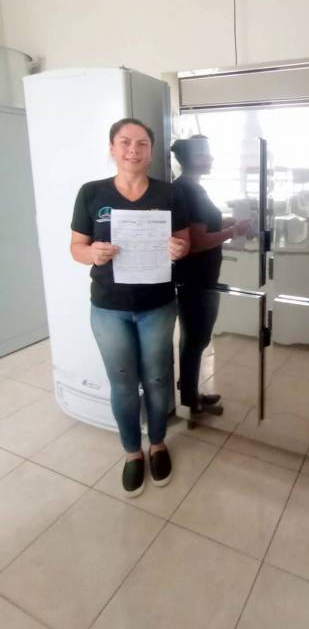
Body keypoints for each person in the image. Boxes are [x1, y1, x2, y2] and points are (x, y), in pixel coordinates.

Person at [70, 118, 190, 498]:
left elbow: (184, 241)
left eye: (142, 144)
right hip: (109, 307)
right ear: (112, 148)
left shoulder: (169, 193)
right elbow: (76, 248)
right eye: (125, 142)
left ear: (151, 151)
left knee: (156, 379)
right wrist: (93, 253)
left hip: (157, 304)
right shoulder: (91, 193)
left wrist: (179, 249)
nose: (133, 150)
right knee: (123, 381)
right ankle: (131, 452)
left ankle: (157, 444)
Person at [171, 135, 251, 418]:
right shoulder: (187, 191)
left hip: (203, 277)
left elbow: (206, 224)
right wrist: (234, 231)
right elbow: (196, 241)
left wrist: (231, 222)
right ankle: (190, 399)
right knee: (196, 339)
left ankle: (189, 390)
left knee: (197, 339)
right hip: (195, 279)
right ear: (192, 159)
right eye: (205, 154)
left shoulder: (194, 188)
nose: (211, 158)